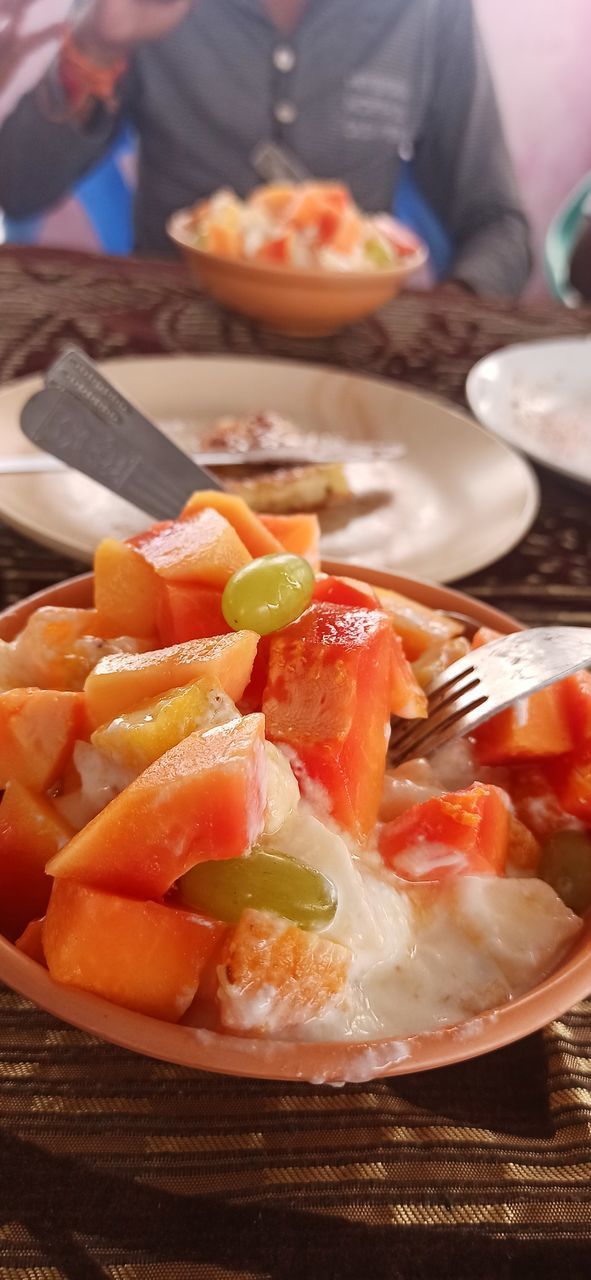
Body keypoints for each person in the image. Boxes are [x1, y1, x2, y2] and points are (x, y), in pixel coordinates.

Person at [0, 0, 531, 296]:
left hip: (352, 358)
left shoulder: (428, 12)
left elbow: (497, 223)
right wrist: (96, 47)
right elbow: (16, 188)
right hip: (173, 343)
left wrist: (448, 314)